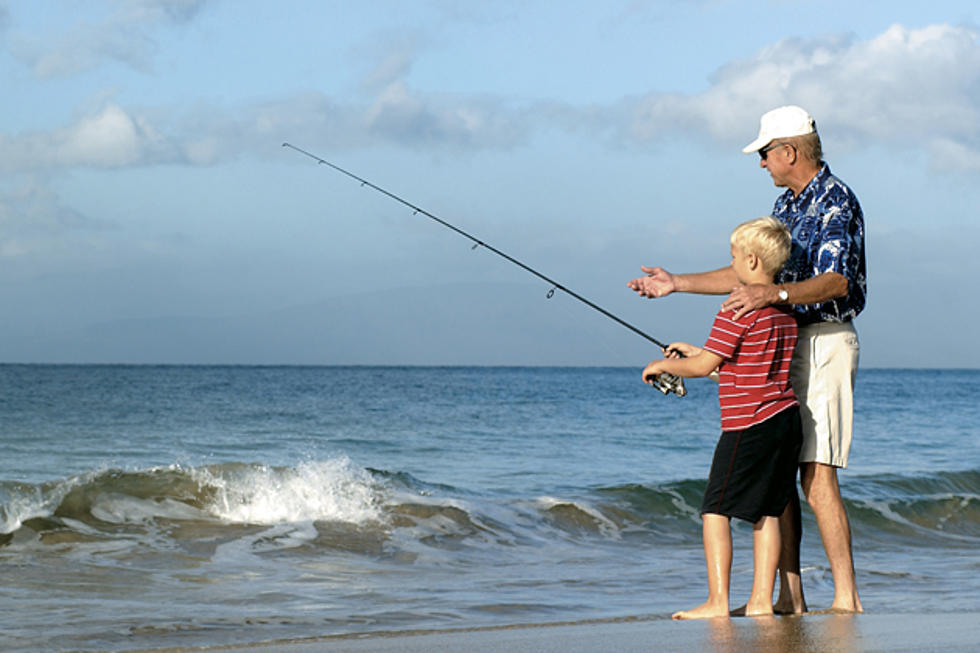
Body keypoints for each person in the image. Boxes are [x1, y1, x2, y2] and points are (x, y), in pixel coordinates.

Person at [629, 105, 866, 614]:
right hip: (786, 337)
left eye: (764, 154)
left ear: (789, 151)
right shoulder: (785, 206)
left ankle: (847, 598)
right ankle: (788, 595)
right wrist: (677, 284)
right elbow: (750, 276)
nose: (761, 164)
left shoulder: (835, 201)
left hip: (824, 338)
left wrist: (774, 297)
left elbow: (836, 281)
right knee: (779, 472)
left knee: (816, 472)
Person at [642, 216, 802, 620]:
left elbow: (705, 366)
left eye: (732, 258)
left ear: (750, 261)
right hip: (785, 419)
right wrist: (695, 353)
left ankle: (717, 601)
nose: (730, 264)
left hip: (747, 424)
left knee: (715, 509)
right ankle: (762, 601)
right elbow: (742, 364)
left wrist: (661, 364)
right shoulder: (786, 312)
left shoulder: (735, 308)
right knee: (767, 511)